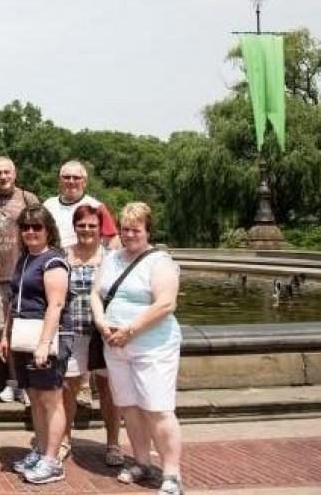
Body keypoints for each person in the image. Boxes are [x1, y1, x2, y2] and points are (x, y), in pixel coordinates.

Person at [91, 202, 183, 495]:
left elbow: (166, 303)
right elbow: (95, 293)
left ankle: (172, 473)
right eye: (125, 229)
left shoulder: (160, 262)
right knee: (129, 407)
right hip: (115, 345)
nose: (129, 234)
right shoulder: (112, 258)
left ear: (148, 231)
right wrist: (102, 323)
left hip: (151, 345)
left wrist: (130, 330)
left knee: (157, 408)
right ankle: (141, 461)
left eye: (136, 229)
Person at [2, 204, 72, 485]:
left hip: (45, 336)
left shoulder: (53, 261)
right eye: (26, 227)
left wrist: (44, 345)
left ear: (48, 230)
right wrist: (5, 335)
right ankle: (41, 450)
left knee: (51, 399)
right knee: (35, 397)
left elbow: (55, 305)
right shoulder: (24, 259)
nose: (30, 232)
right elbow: (13, 301)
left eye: (37, 227)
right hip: (23, 334)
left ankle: (52, 460)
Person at [0, 157, 40, 405]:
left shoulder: (27, 199)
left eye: (7, 172)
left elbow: (41, 229)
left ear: (15, 173)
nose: (3, 177)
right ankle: (12, 382)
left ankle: (27, 383)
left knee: (24, 328)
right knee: (2, 330)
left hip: (23, 274)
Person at [63, 204, 122, 467]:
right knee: (68, 388)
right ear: (74, 227)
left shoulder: (113, 258)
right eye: (82, 225)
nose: (87, 230)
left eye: (92, 226)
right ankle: (64, 440)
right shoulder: (63, 255)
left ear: (101, 229)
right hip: (72, 331)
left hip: (103, 334)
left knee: (108, 390)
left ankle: (113, 443)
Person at [43, 160, 119, 249]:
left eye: (76, 178)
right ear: (60, 181)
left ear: (85, 182)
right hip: (53, 259)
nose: (71, 181)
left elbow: (112, 239)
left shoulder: (96, 207)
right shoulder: (48, 205)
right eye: (66, 177)